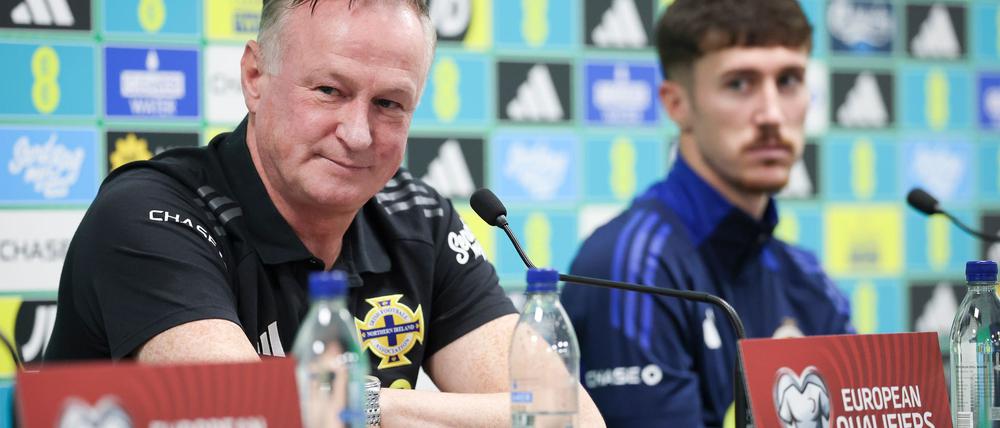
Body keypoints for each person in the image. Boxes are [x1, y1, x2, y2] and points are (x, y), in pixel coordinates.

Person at [43, 0, 603, 425]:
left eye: (388, 104)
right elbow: (244, 412)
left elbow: (568, 413)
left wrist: (358, 405)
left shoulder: (419, 218)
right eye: (330, 91)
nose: (358, 134)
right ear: (255, 77)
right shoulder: (151, 212)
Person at [560, 0, 854, 426]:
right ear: (676, 103)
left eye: (789, 80)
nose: (772, 114)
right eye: (739, 84)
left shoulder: (807, 276)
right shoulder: (633, 271)